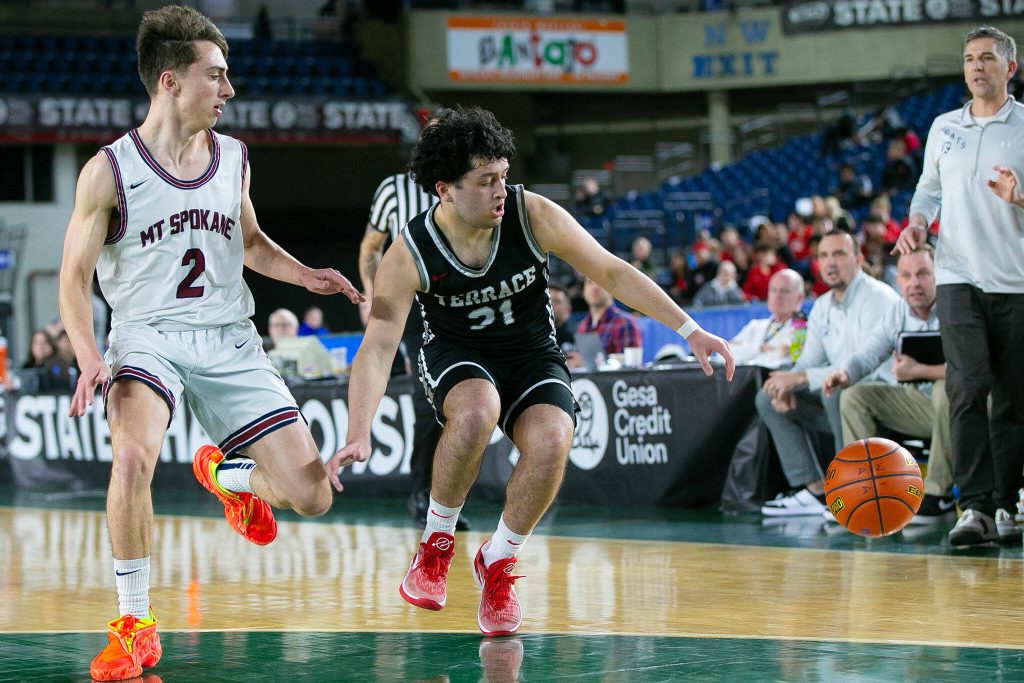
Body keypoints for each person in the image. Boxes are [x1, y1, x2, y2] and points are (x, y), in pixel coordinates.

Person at [326, 106, 733, 637]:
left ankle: (498, 560)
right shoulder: (410, 250)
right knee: (475, 413)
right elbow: (377, 346)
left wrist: (689, 329)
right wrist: (359, 429)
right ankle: (436, 542)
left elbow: (609, 270)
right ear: (444, 189)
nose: (501, 189)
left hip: (531, 352)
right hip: (458, 354)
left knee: (553, 438)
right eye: (486, 180)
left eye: (504, 175)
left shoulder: (531, 213)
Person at [57, 7, 364, 680]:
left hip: (229, 338)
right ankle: (135, 623)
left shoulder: (234, 157)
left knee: (313, 495)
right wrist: (88, 353)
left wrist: (305, 273)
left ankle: (224, 475)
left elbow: (249, 243)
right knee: (133, 456)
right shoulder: (108, 171)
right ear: (169, 81)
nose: (229, 90)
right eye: (216, 76)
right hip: (147, 335)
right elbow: (73, 279)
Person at [893, 25, 1024, 547]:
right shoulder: (944, 127)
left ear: (1009, 69)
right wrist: (918, 222)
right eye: (970, 58)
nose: (977, 66)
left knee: (1013, 400)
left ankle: (1006, 502)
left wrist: (1019, 197)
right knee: (968, 387)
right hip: (958, 278)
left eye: (988, 57)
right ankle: (974, 508)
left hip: (1015, 282)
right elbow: (927, 190)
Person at [356, 149, 470, 530]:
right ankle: (424, 492)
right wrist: (371, 295)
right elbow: (370, 247)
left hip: (460, 301)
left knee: (464, 401)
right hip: (413, 306)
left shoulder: (465, 185)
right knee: (430, 398)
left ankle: (445, 499)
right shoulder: (393, 190)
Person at [758, 230, 900, 516]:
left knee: (838, 391)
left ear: (858, 259)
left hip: (882, 400)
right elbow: (809, 360)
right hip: (836, 401)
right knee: (767, 396)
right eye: (823, 255)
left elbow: (861, 366)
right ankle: (814, 490)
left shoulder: (879, 298)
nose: (830, 263)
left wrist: (800, 378)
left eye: (839, 254)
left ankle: (851, 488)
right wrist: (789, 382)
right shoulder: (822, 306)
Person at [821, 246, 959, 526]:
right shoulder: (898, 312)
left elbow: (972, 369)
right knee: (854, 396)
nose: (914, 283)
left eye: (922, 274)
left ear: (938, 275)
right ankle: (865, 492)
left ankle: (938, 493)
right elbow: (868, 354)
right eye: (906, 275)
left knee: (945, 388)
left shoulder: (956, 307)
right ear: (898, 280)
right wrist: (845, 373)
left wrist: (921, 370)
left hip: (963, 410)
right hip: (919, 407)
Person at [729, 269, 805, 369]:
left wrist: (744, 349)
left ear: (799, 298)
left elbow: (794, 361)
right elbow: (725, 355)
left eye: (784, 291)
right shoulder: (755, 325)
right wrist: (759, 348)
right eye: (773, 290)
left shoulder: (802, 328)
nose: (777, 296)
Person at [577, 275, 643, 356]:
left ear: (612, 289)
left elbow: (630, 366)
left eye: (600, 283)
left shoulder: (625, 323)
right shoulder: (583, 325)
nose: (594, 288)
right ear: (584, 290)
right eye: (589, 283)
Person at [548, 283, 583, 370]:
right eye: (548, 300)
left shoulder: (579, 332)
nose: (551, 305)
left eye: (557, 301)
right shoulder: (536, 333)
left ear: (568, 308)